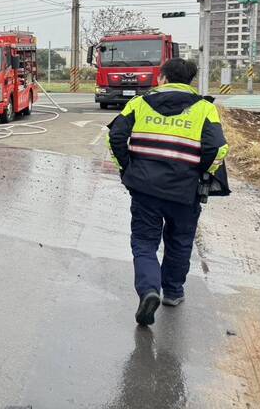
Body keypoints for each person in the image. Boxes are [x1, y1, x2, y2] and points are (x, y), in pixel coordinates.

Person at [107, 58, 229, 326]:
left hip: (144, 188)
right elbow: (218, 148)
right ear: (190, 81)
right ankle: (172, 292)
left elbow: (114, 136)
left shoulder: (139, 103)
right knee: (180, 240)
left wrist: (127, 169)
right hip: (185, 191)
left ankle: (149, 290)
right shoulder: (205, 109)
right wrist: (203, 174)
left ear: (161, 77)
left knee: (144, 242)